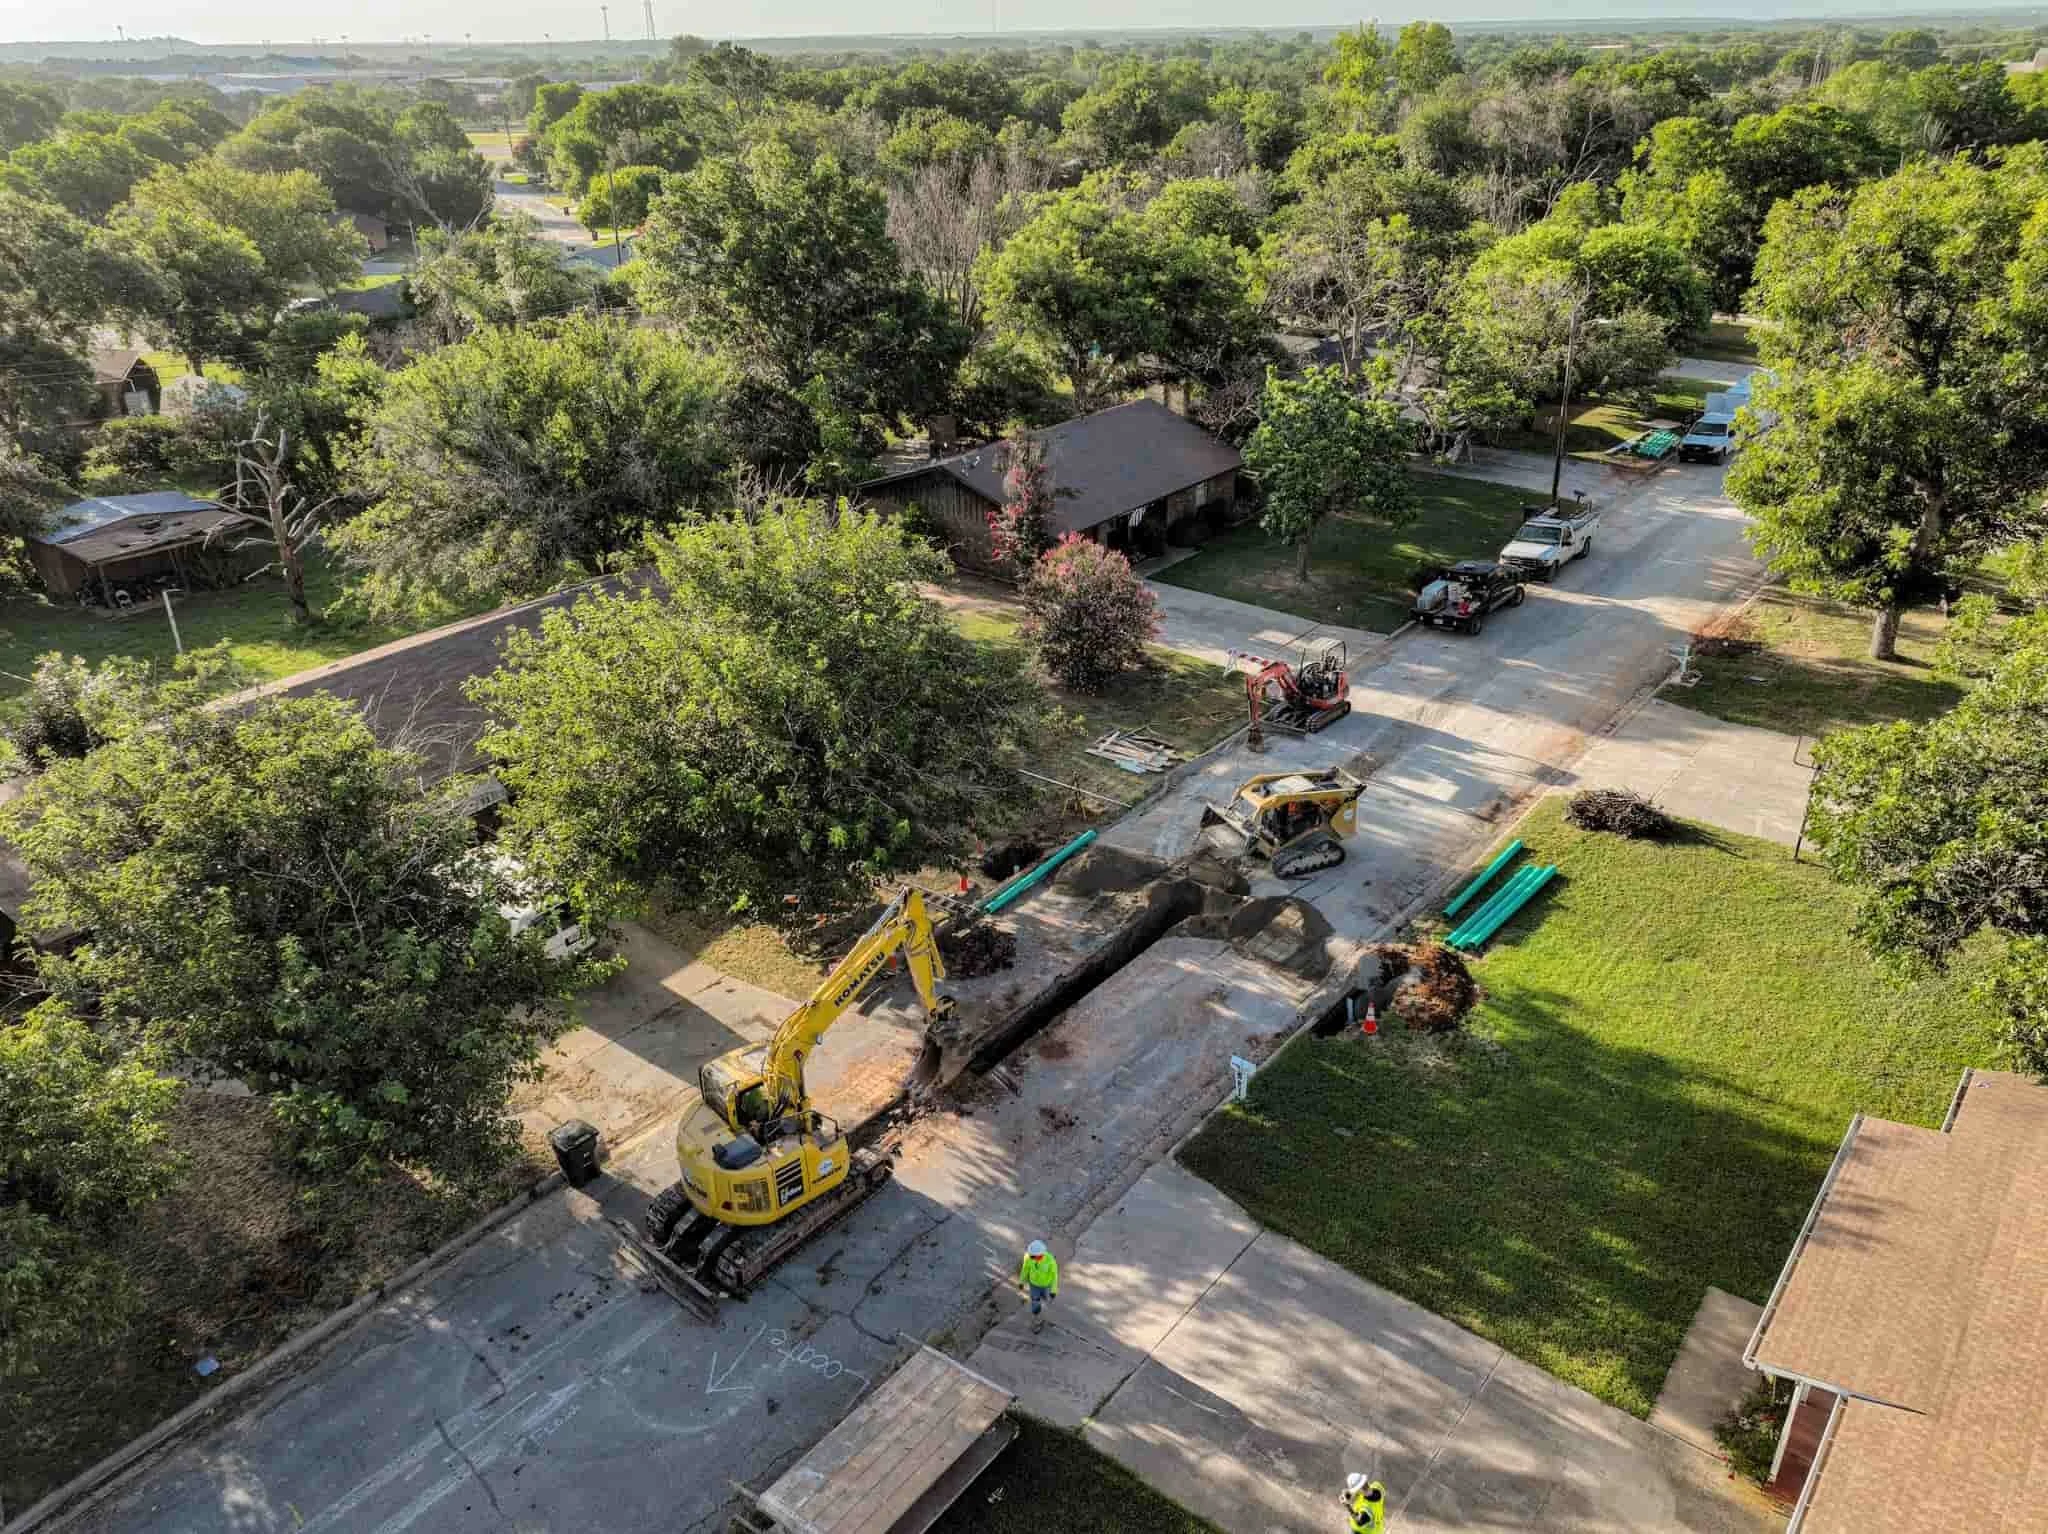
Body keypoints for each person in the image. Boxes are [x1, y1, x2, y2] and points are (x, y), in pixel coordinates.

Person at [1017, 1239, 1059, 1333]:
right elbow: (1025, 1270)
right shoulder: (1028, 1257)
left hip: (1046, 1286)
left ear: (1043, 1254)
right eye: (1033, 1257)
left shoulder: (1050, 1260)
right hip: (1034, 1285)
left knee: (1047, 1301)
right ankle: (1036, 1319)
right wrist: (1021, 1282)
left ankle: (1045, 1317)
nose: (1035, 1259)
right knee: (1035, 1302)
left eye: (1038, 1257)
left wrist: (1053, 1290)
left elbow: (1054, 1275)